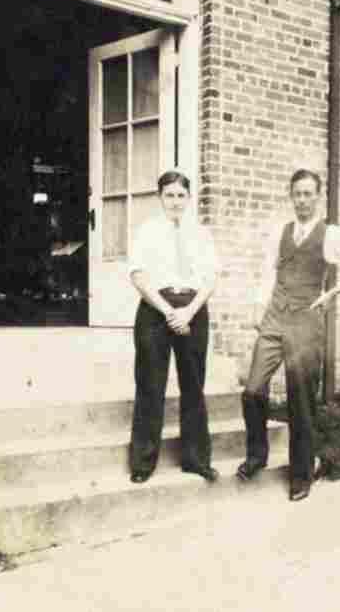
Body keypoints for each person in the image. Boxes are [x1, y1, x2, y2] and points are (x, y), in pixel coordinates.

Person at [236, 168, 340, 501]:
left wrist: (333, 292)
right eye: (297, 194)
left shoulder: (331, 235)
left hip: (307, 321)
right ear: (291, 196)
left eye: (308, 194)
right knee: (253, 390)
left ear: (318, 196)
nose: (302, 200)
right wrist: (259, 309)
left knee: (300, 399)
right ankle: (257, 456)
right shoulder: (280, 232)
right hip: (275, 317)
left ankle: (302, 474)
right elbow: (268, 273)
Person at [127, 170, 219, 484]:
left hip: (193, 308)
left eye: (181, 195)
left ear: (189, 198)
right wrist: (169, 311)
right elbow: (138, 276)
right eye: (170, 195)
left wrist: (189, 311)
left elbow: (210, 279)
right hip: (156, 309)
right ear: (159, 197)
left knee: (193, 385)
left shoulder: (201, 234)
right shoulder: (146, 232)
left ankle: (195, 459)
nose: (176, 202)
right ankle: (142, 462)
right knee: (150, 384)